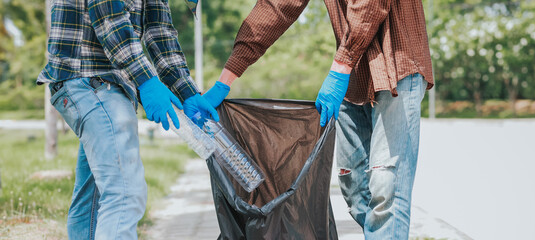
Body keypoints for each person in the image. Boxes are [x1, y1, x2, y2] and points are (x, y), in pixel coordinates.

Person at [200, 0, 434, 239]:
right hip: (353, 75)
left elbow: (370, 4)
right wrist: (225, 80)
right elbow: (276, 7)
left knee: (386, 185)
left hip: (397, 65)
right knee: (355, 187)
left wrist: (340, 67)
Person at [37, 0, 217, 239]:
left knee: (92, 202)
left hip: (108, 84)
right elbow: (108, 17)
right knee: (124, 192)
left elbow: (158, 31)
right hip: (89, 78)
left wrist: (187, 91)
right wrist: (147, 80)